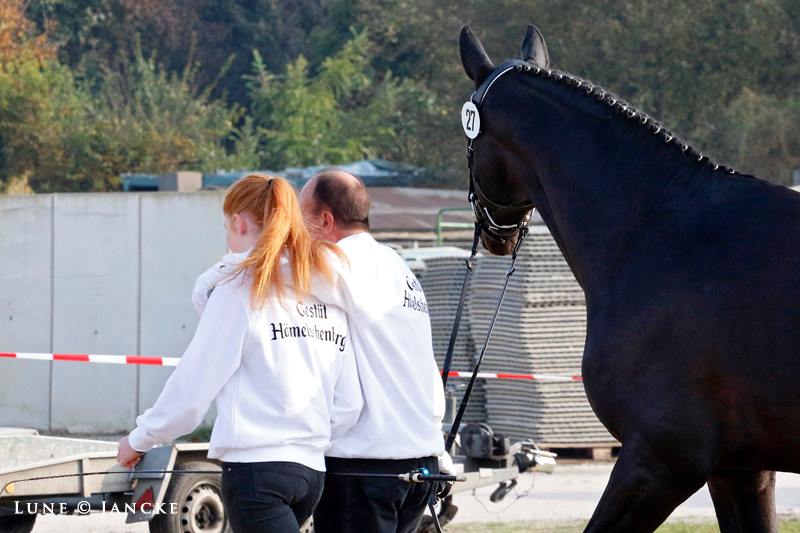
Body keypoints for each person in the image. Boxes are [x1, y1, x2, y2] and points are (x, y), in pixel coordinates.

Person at [116, 174, 363, 533]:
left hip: (256, 473)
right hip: (312, 473)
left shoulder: (238, 291)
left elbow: (191, 391)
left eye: (226, 227)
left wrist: (139, 439)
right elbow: (348, 404)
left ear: (239, 221)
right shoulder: (325, 292)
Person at [298, 170, 446, 533]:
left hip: (365, 464)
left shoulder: (339, 263)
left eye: (301, 220)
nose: (298, 233)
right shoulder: (397, 265)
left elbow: (267, 278)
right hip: (416, 459)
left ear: (326, 220)